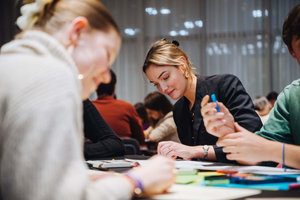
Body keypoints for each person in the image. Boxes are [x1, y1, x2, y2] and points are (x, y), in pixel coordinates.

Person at [0, 0, 176, 199]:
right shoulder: (50, 75)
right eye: (107, 54)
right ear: (77, 31)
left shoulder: (13, 63)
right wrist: (135, 181)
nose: (107, 77)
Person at [200, 4, 300, 169]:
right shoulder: (291, 96)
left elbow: (266, 149)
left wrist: (270, 150)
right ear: (292, 51)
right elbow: (261, 157)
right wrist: (230, 135)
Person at [143, 38, 262, 162]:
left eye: (166, 77)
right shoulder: (179, 109)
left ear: (182, 66)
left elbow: (252, 139)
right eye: (156, 84)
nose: (163, 88)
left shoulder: (224, 85)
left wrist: (195, 151)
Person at [92, 69, 146, 146]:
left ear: (95, 88)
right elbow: (140, 139)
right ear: (114, 87)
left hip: (94, 156)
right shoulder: (127, 107)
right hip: (126, 155)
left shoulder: (87, 109)